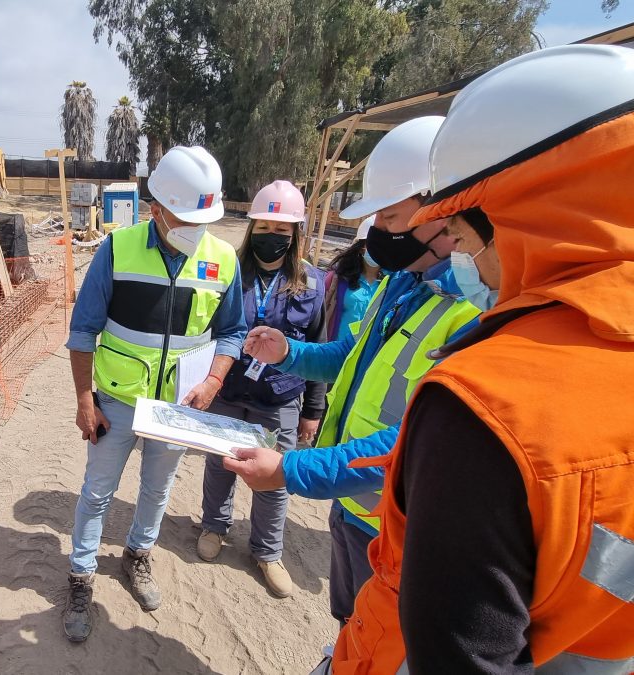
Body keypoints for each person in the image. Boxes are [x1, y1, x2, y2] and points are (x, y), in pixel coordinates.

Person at [323, 43, 634, 675]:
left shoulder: (487, 401)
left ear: (516, 208)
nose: (461, 248)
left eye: (461, 230)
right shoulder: (401, 289)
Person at [222, 116, 481, 625]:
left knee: (380, 634)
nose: (377, 233)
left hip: (399, 518)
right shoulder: (400, 285)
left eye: (389, 217)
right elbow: (349, 356)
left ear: (444, 211)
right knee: (349, 621)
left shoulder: (472, 313)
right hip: (352, 501)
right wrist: (290, 353)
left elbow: (415, 438)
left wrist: (291, 469)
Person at [62, 146, 246, 642]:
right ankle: (81, 576)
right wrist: (85, 399)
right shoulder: (117, 249)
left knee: (157, 491)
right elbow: (83, 332)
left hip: (177, 409)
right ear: (157, 208)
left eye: (203, 218)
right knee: (97, 493)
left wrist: (212, 381)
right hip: (119, 402)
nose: (195, 227)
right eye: (186, 216)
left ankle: (136, 558)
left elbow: (232, 332)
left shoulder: (223, 259)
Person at [196, 180, 327, 598]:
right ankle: (214, 526)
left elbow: (319, 348)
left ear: (295, 236)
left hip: (280, 398)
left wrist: (313, 408)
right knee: (221, 464)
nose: (272, 238)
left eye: (282, 231)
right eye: (265, 228)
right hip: (229, 391)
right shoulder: (229, 270)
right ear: (252, 228)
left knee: (275, 477)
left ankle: (268, 551)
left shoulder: (312, 284)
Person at [323, 216, 383, 342]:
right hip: (336, 352)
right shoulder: (338, 279)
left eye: (383, 244)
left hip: (366, 356)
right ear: (362, 248)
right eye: (373, 244)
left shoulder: (392, 282)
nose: (380, 249)